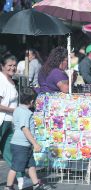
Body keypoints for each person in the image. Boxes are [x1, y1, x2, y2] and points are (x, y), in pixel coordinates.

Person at [0, 54, 33, 189]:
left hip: (9, 122)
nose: (12, 68)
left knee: (11, 152)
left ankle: (21, 178)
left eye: (14, 65)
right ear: (2, 66)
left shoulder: (12, 81)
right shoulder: (1, 81)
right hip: (1, 121)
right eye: (9, 65)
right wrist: (14, 111)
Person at [4, 87, 46, 190]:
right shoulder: (25, 112)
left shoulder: (17, 109)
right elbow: (25, 129)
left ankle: (36, 184)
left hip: (23, 144)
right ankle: (8, 187)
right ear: (32, 101)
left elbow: (15, 125)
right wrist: (35, 143)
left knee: (31, 164)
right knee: (15, 167)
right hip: (21, 145)